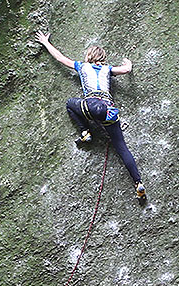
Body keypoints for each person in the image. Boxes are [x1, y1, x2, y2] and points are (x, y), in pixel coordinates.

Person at [35, 31, 146, 202]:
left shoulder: (82, 66)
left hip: (91, 106)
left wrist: (46, 43)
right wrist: (128, 62)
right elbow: (126, 69)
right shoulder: (107, 69)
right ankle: (138, 183)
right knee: (122, 148)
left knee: (70, 104)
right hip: (109, 111)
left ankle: (85, 133)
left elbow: (60, 58)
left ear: (89, 56)